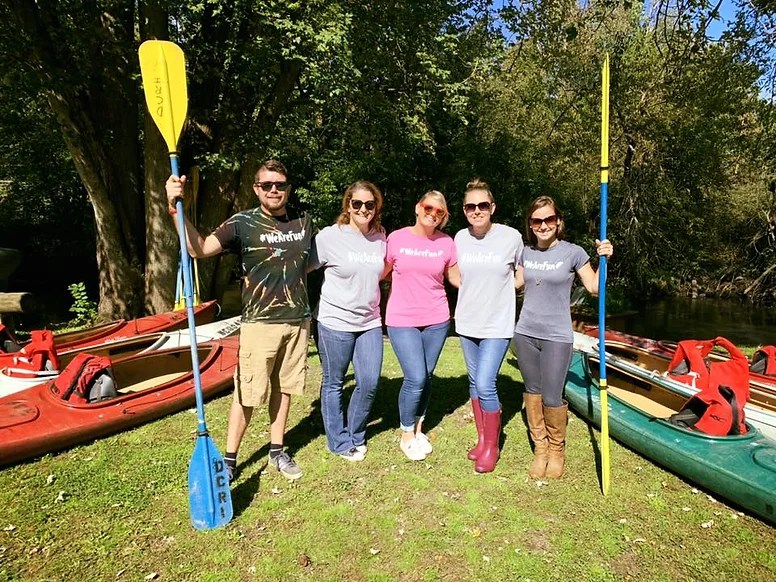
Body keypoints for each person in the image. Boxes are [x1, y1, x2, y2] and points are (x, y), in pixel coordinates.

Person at [165, 159, 312, 483]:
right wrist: (177, 211)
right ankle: (230, 459)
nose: (275, 190)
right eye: (267, 185)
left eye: (281, 185)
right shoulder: (242, 222)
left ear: (288, 188)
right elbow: (198, 248)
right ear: (256, 188)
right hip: (260, 324)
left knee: (283, 388)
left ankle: (277, 450)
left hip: (298, 321)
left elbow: (310, 264)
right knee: (247, 392)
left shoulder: (303, 221)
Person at [513, 195, 613, 479]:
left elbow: (594, 287)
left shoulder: (573, 252)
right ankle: (541, 450)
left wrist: (605, 260)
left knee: (553, 395)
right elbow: (515, 284)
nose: (543, 225)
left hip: (557, 335)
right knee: (533, 392)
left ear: (558, 222)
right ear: (530, 224)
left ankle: (557, 450)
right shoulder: (525, 253)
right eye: (537, 220)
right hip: (525, 333)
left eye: (548, 219)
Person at [308, 181, 387, 461]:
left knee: (369, 382)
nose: (363, 209)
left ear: (376, 207)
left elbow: (383, 271)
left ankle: (355, 433)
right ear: (348, 205)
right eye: (357, 204)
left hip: (369, 322)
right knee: (333, 383)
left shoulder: (380, 236)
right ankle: (339, 441)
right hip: (333, 321)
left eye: (369, 204)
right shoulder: (329, 237)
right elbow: (302, 267)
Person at [451, 179, 523, 473]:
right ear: (464, 210)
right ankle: (482, 440)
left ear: (492, 208)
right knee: (473, 382)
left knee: (485, 383)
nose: (477, 210)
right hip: (467, 322)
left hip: (497, 324)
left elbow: (521, 273)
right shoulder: (459, 238)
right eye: (471, 206)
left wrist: (505, 293)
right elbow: (453, 272)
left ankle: (492, 446)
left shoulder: (511, 237)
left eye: (482, 205)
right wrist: (469, 289)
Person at [384, 191, 459, 461]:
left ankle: (418, 427)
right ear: (418, 208)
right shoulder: (396, 238)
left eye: (440, 212)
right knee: (415, 377)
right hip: (402, 319)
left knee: (426, 375)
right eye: (429, 208)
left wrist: (492, 280)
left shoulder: (447, 243)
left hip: (437, 319)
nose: (433, 214)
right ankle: (406, 434)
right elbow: (378, 273)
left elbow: (456, 278)